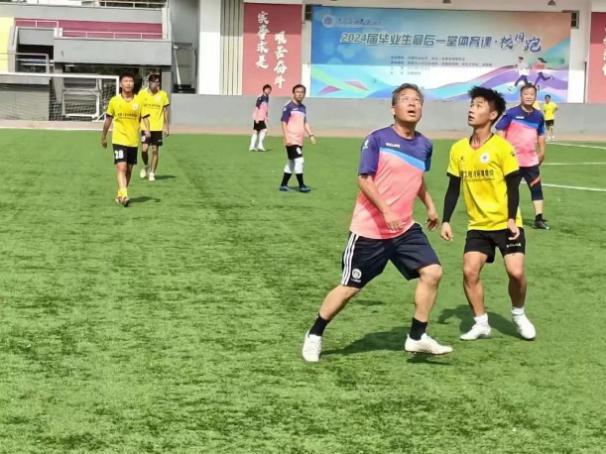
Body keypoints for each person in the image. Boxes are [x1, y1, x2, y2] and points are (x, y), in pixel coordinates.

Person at [301, 83, 452, 362]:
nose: (412, 104)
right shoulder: (377, 139)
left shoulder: (425, 145)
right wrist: (386, 210)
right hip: (370, 231)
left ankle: (417, 336)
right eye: (405, 99)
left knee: (433, 272)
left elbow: (417, 178)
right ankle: (315, 334)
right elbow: (364, 179)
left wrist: (430, 206)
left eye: (417, 100)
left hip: (404, 229)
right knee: (349, 288)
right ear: (393, 108)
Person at [441, 86, 536, 342]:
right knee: (469, 271)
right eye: (471, 105)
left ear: (493, 115)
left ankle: (518, 314)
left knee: (516, 272)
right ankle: (481, 323)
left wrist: (511, 218)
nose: (472, 109)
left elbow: (513, 186)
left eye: (479, 105)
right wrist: (446, 220)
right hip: (478, 225)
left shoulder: (502, 147)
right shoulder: (458, 149)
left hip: (506, 223)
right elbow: (453, 187)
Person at [496, 83, 549, 230]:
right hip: (513, 161)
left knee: (536, 189)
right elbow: (500, 130)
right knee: (510, 190)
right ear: (521, 96)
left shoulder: (538, 116)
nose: (529, 97)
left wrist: (542, 152)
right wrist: (503, 151)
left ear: (535, 96)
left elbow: (541, 134)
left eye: (531, 94)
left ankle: (539, 219)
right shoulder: (511, 113)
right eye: (526, 94)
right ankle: (509, 217)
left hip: (531, 160)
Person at [101, 73, 150, 206]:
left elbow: (145, 117)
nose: (128, 83)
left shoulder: (139, 101)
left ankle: (120, 195)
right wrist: (104, 136)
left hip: (133, 141)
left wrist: (147, 130)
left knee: (128, 170)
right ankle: (124, 195)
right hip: (118, 139)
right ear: (121, 84)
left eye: (130, 81)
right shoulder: (114, 101)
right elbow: (108, 120)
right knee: (121, 167)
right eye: (126, 81)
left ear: (133, 84)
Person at [279, 84, 316, 193]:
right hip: (291, 139)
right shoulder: (288, 106)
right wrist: (287, 138)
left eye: (302, 92)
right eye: (297, 92)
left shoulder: (303, 108)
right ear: (293, 93)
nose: (300, 94)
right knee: (300, 160)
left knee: (291, 162)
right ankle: (301, 185)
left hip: (299, 140)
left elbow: (305, 122)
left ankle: (283, 185)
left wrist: (311, 135)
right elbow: (283, 123)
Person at [138, 73, 170, 182]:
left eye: (158, 82)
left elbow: (165, 110)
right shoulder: (142, 94)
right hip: (145, 127)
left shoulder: (163, 95)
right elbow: (139, 110)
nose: (157, 84)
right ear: (150, 82)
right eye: (155, 82)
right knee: (144, 149)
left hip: (157, 127)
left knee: (155, 150)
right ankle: (146, 165)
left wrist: (166, 126)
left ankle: (152, 173)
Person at [249, 84, 272, 152]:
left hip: (262, 117)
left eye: (269, 90)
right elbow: (257, 107)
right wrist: (256, 117)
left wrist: (266, 116)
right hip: (258, 117)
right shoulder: (260, 97)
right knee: (264, 130)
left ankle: (252, 146)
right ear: (264, 89)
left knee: (256, 131)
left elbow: (266, 108)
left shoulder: (267, 97)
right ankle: (259, 145)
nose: (268, 91)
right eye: (267, 89)